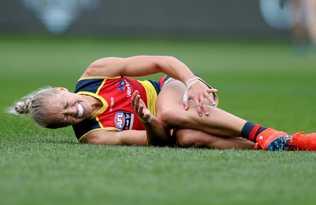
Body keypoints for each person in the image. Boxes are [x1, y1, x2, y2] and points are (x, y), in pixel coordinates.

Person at [11, 55, 316, 151]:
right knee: (187, 137)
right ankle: (290, 143)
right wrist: (147, 120)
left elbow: (163, 61)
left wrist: (193, 82)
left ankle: (260, 132)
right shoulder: (94, 135)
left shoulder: (96, 74)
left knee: (170, 112)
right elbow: (161, 142)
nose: (71, 112)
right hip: (168, 125)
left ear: (65, 89)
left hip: (171, 89)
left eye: (65, 103)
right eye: (64, 119)